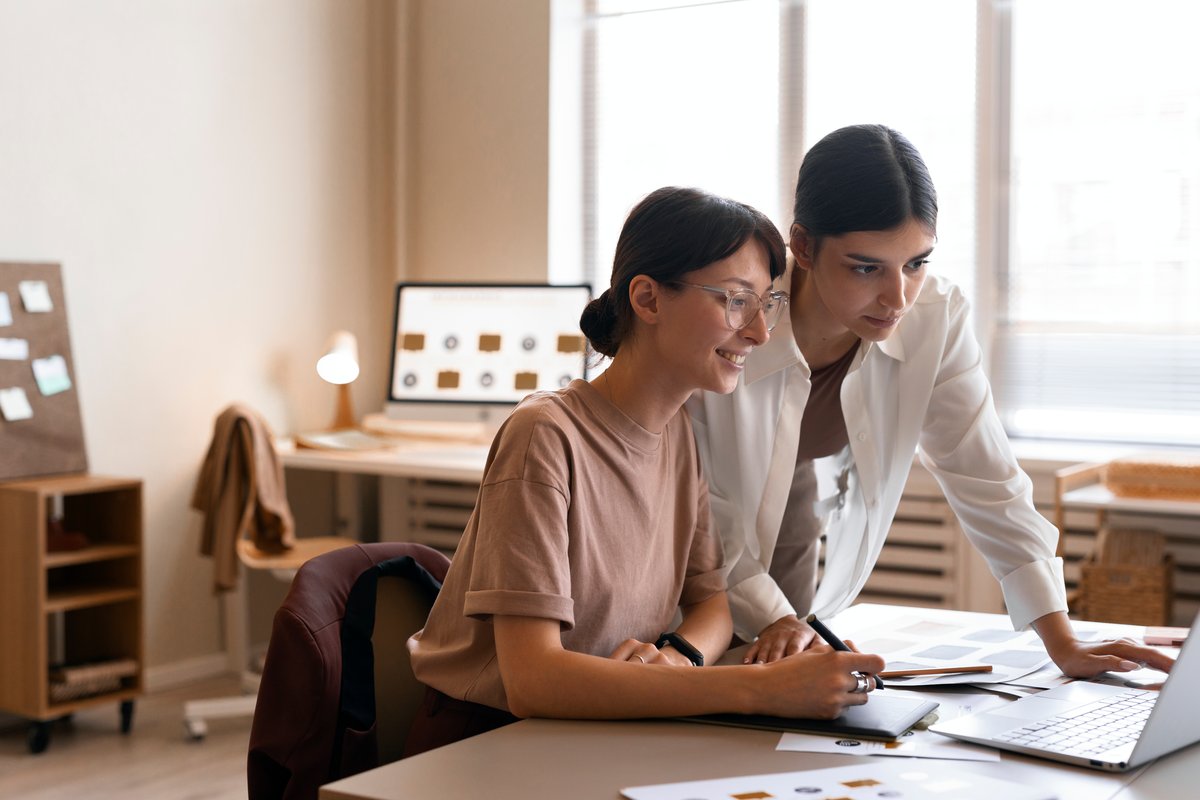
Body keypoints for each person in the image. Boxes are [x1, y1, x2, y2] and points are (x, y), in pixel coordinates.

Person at [405, 186, 886, 756]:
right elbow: (533, 681)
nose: (759, 332)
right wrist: (758, 689)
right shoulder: (545, 435)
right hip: (490, 744)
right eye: (735, 301)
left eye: (766, 304)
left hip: (603, 731)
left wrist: (677, 658)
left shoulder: (678, 433)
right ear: (648, 300)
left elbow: (712, 602)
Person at [687, 124, 1174, 676]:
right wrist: (773, 617)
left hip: (792, 505)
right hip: (685, 530)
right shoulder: (734, 322)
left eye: (916, 263)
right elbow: (706, 507)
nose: (897, 299)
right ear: (802, 245)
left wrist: (1063, 642)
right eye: (866, 267)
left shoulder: (934, 317)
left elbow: (987, 478)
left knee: (784, 689)